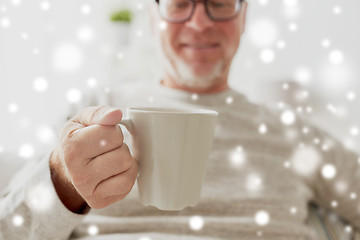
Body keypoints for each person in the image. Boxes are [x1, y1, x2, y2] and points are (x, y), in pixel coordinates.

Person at [1, 0, 359, 239]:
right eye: (179, 3)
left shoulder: (295, 133)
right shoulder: (96, 111)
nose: (200, 22)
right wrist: (63, 180)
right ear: (154, 15)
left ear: (243, 14)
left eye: (218, 2)